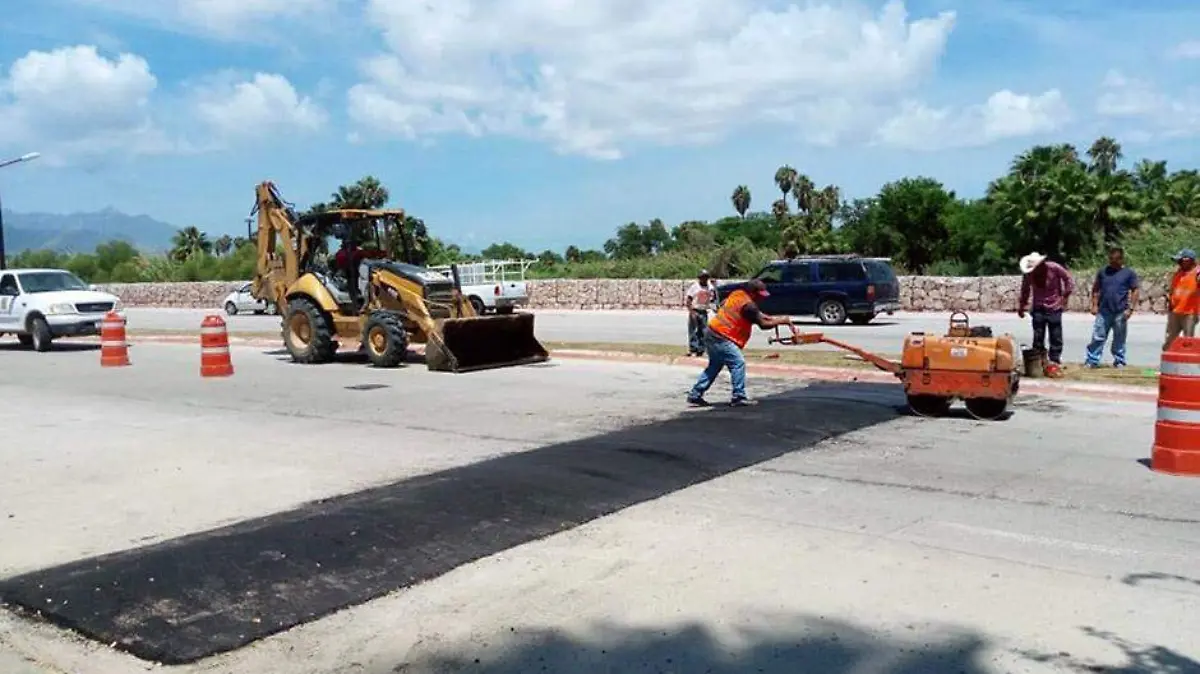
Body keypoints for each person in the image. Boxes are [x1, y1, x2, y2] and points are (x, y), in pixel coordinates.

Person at [686, 279, 796, 407]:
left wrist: (775, 318)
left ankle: (695, 394)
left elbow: (728, 305)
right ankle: (738, 396)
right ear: (754, 293)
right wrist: (781, 320)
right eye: (761, 295)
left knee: (715, 365)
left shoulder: (738, 294)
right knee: (738, 363)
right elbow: (763, 324)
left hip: (712, 332)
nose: (762, 298)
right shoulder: (749, 306)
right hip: (722, 336)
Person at [1017, 252, 1074, 377]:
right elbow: (1025, 290)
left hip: (1054, 306)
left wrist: (1064, 297)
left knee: (1056, 335)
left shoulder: (1054, 268)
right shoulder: (1029, 275)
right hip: (1038, 307)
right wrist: (1022, 306)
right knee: (1038, 336)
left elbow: (1069, 280)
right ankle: (1039, 360)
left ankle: (1055, 360)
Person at [1085, 246, 1139, 369]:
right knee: (1098, 337)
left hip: (1120, 311)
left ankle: (1119, 360)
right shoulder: (1103, 272)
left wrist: (1130, 309)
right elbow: (1096, 289)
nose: (1113, 263)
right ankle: (1092, 360)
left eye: (1116, 260)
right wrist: (1094, 305)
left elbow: (1135, 290)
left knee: (1119, 338)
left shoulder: (1128, 273)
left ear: (1121, 259)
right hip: (1103, 311)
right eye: (1111, 260)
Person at [1164, 248, 1200, 350]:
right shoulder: (1179, 272)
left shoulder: (1197, 273)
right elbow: (1173, 291)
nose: (1178, 262)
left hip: (1189, 313)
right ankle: (1167, 362)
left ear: (1189, 261)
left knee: (1188, 341)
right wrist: (1170, 307)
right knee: (1170, 340)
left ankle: (1186, 363)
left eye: (1181, 260)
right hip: (1174, 312)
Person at [684, 269, 717, 356]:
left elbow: (714, 297)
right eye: (703, 277)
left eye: (706, 277)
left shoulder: (710, 287)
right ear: (699, 278)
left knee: (704, 331)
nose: (704, 279)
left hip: (704, 311)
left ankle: (701, 349)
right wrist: (691, 312)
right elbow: (688, 300)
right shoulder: (695, 287)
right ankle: (693, 349)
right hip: (695, 310)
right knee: (693, 331)